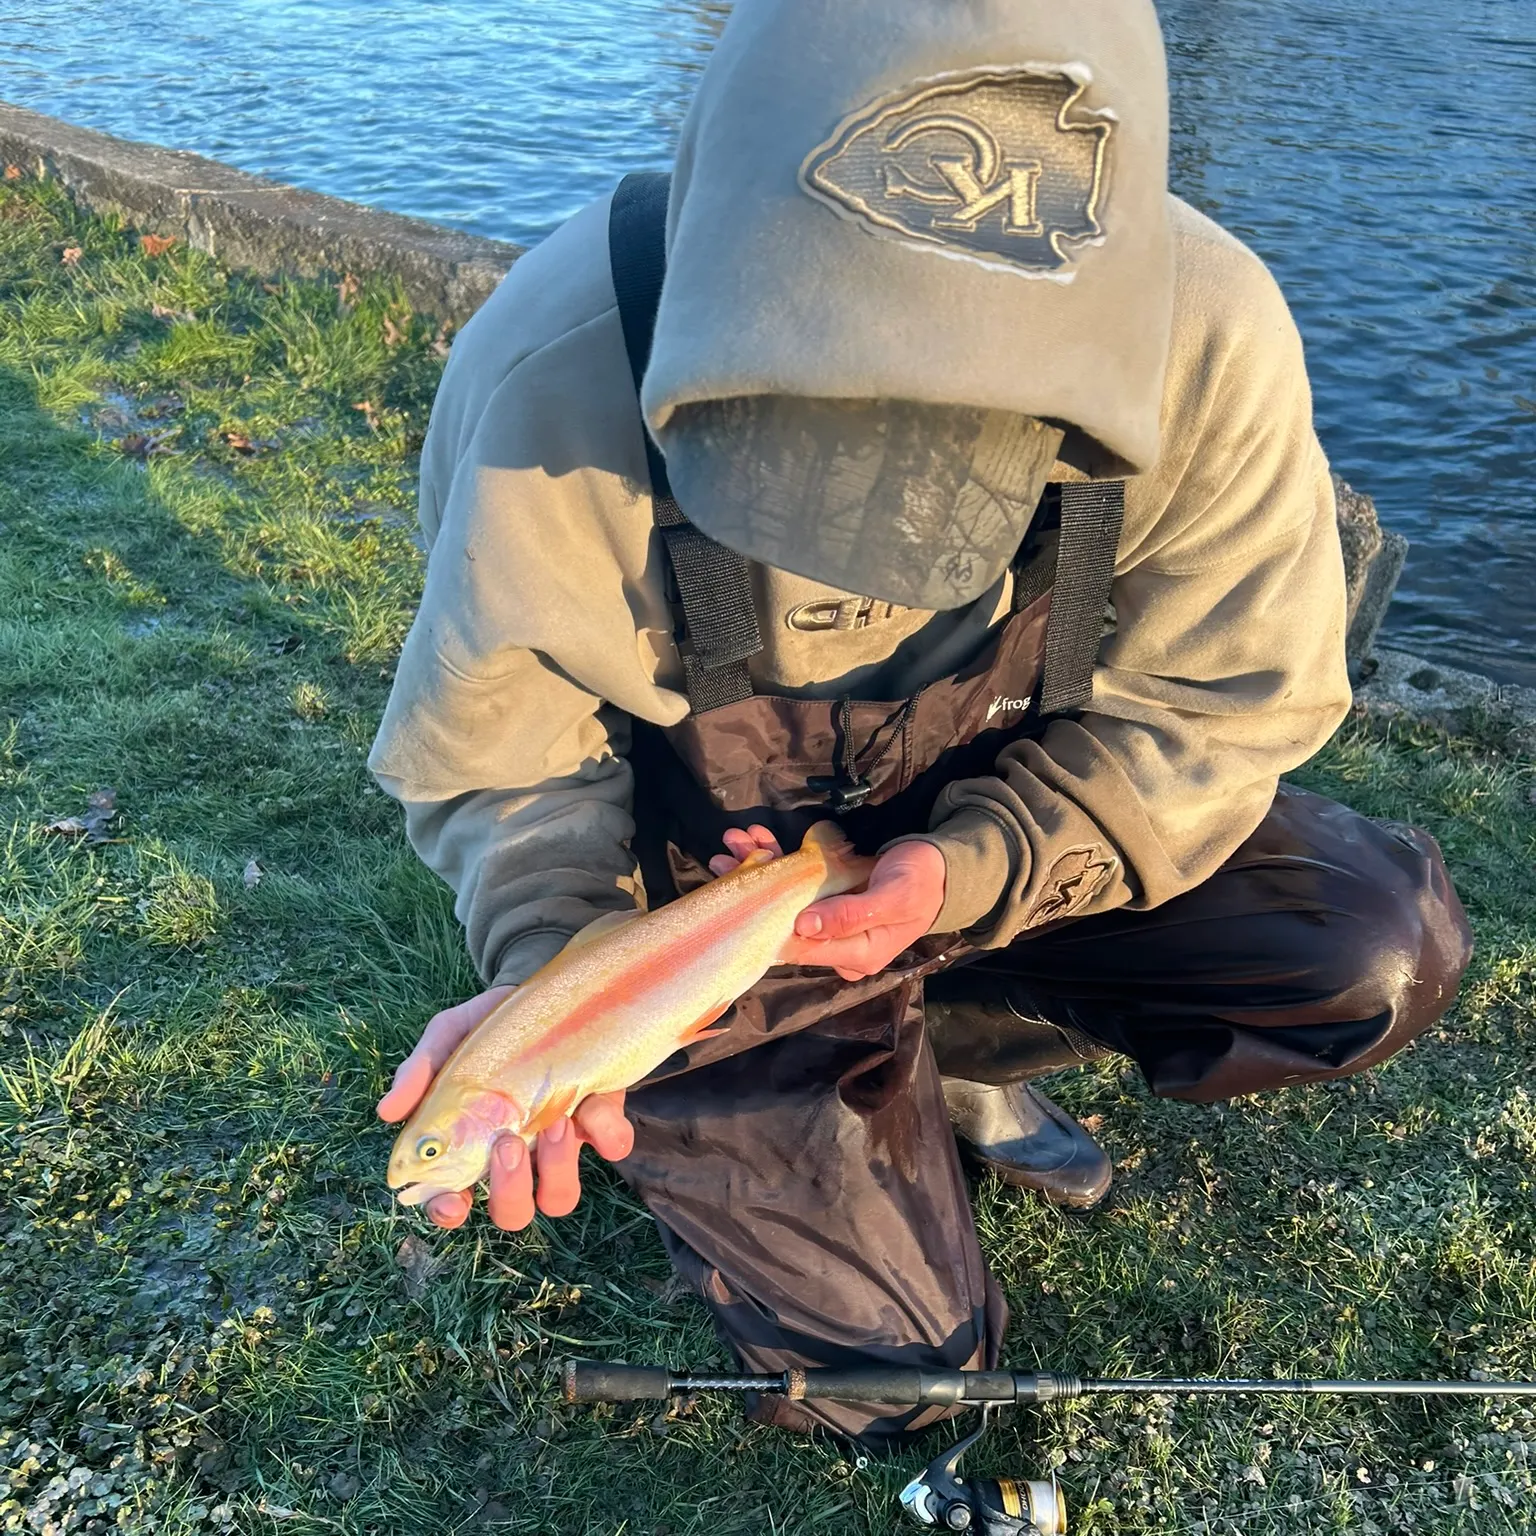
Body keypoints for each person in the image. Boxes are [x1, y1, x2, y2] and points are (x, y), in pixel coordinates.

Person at [370, 0, 1473, 1445]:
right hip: (713, 918)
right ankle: (829, 1073)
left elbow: (1226, 707)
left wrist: (972, 872)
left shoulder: (1209, 341)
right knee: (899, 1383)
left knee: (1368, 951)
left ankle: (950, 1052)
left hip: (1008, 855)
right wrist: (558, 983)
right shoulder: (556, 365)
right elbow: (499, 764)